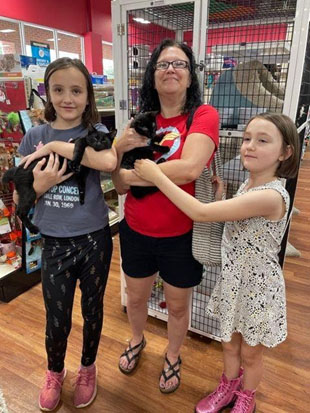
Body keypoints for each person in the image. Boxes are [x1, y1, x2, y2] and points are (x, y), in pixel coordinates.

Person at [134, 112, 300, 412]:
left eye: (262, 141)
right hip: (235, 280)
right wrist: (223, 195)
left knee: (250, 353)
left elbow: (201, 213)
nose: (249, 146)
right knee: (229, 343)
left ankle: (246, 396)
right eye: (247, 138)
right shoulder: (249, 185)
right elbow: (236, 219)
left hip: (257, 288)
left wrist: (157, 175)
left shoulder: (272, 195)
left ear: (285, 152)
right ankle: (228, 385)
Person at [112, 38, 219, 393]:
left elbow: (189, 169)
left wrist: (134, 174)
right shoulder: (139, 120)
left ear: (190, 77)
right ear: (152, 75)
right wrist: (124, 175)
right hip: (136, 229)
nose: (171, 69)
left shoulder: (203, 115)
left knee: (176, 306)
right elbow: (118, 177)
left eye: (180, 64)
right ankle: (137, 338)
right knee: (137, 297)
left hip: (181, 234)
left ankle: (173, 355)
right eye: (163, 64)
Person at [17, 57, 117, 411]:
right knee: (56, 318)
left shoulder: (97, 135)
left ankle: (87, 367)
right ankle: (54, 371)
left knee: (93, 309)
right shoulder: (34, 136)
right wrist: (39, 186)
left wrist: (60, 149)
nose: (68, 98)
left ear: (88, 96)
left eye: (76, 90)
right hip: (55, 244)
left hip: (94, 239)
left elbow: (107, 163)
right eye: (58, 90)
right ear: (47, 93)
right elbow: (17, 195)